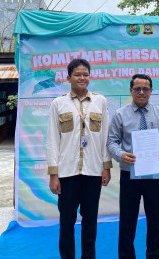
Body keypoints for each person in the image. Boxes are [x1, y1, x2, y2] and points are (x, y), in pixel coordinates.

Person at [47, 58, 112, 259]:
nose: (82, 78)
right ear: (68, 78)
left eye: (85, 74)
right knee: (66, 221)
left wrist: (106, 167)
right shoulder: (58, 104)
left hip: (93, 171)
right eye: (77, 75)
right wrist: (54, 174)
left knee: (90, 221)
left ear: (90, 77)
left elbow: (105, 136)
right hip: (67, 172)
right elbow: (52, 140)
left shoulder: (100, 102)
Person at [107, 74, 159, 259]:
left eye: (145, 89)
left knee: (155, 220)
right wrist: (121, 155)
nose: (141, 92)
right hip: (129, 175)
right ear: (131, 91)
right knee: (127, 221)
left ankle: (155, 256)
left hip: (154, 175)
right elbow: (111, 142)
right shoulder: (120, 114)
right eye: (137, 89)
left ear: (151, 91)